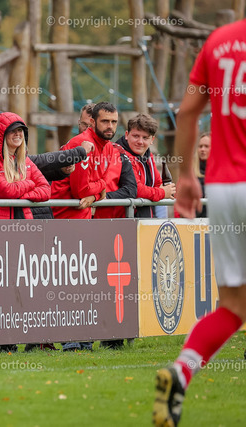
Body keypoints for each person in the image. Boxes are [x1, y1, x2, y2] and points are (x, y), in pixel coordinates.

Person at [153, 19, 246, 427]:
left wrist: (187, 175)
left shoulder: (220, 41)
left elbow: (188, 112)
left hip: (223, 190)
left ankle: (182, 370)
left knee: (234, 307)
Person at [51, 102, 119, 219]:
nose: (110, 126)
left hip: (83, 215)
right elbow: (81, 191)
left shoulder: (108, 146)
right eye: (105, 121)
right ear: (93, 122)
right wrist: (101, 188)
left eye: (114, 122)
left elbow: (103, 183)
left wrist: (94, 197)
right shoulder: (82, 143)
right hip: (63, 217)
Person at [0, 111, 51, 219]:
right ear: (2, 135)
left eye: (20, 130)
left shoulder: (26, 161)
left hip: (24, 224)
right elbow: (7, 191)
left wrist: (20, 197)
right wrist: (30, 183)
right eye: (12, 130)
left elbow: (46, 190)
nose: (17, 134)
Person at [117, 114, 176, 218]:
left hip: (142, 217)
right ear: (126, 135)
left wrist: (162, 191)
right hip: (120, 219)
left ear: (152, 140)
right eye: (136, 136)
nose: (140, 142)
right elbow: (136, 189)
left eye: (145, 138)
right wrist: (162, 193)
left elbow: (157, 183)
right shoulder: (120, 155)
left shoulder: (148, 155)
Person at [194, 132, 211, 217]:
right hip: (194, 221)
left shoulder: (222, 173)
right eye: (200, 146)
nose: (202, 149)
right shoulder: (190, 173)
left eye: (206, 146)